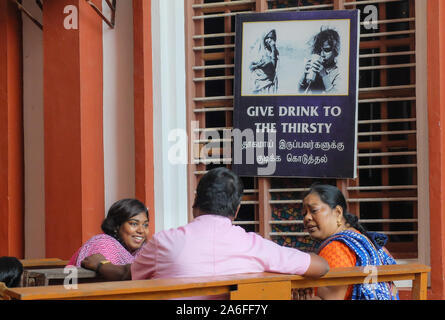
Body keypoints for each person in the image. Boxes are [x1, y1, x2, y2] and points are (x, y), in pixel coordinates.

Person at [82, 167, 329, 298]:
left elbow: (127, 274)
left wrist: (100, 264)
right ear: (237, 209)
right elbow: (321, 267)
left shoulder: (164, 242)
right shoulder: (254, 245)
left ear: (195, 204)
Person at [297, 184, 399, 300]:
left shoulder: (337, 247)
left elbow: (331, 298)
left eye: (314, 210)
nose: (307, 218)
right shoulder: (360, 239)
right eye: (304, 213)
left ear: (338, 212)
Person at [69, 198, 149, 281]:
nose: (141, 230)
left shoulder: (143, 250)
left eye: (145, 225)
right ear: (117, 226)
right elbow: (111, 283)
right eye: (134, 224)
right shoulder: (103, 244)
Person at [298, 28, 341, 94]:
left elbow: (335, 97)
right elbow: (299, 91)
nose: (322, 54)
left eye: (327, 50)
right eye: (319, 50)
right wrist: (304, 76)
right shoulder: (315, 69)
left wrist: (324, 75)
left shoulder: (338, 73)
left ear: (336, 51)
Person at [249, 29, 279, 94]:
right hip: (258, 82)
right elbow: (250, 67)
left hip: (269, 82)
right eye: (267, 37)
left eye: (272, 38)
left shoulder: (274, 51)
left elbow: (273, 68)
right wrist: (258, 66)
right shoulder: (258, 50)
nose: (270, 40)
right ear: (263, 38)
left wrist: (273, 49)